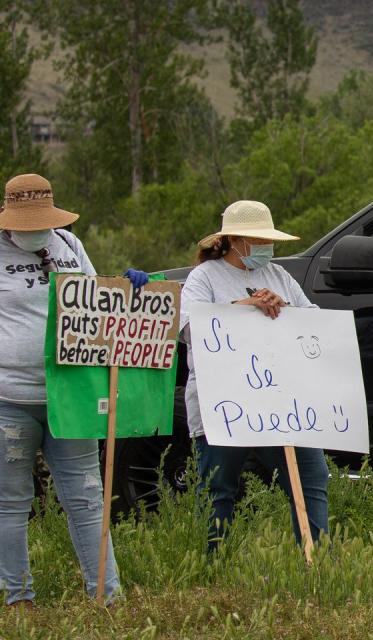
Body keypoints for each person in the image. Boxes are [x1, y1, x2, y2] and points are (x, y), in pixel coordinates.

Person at [0, 173, 148, 607]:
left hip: (71, 394)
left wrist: (125, 289)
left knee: (86, 497)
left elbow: (92, 301)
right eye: (26, 223)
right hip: (9, 399)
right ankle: (17, 597)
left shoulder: (68, 245)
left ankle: (106, 592)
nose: (35, 231)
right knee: (11, 503)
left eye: (41, 221)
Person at [180, 200, 328, 552]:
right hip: (224, 403)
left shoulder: (278, 276)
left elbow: (314, 321)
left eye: (266, 240)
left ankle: (317, 562)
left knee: (311, 477)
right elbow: (188, 327)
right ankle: (213, 569)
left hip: (278, 402)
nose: (264, 247)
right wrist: (246, 307)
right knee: (219, 487)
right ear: (233, 239)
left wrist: (284, 308)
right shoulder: (205, 277)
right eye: (256, 239)